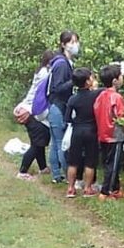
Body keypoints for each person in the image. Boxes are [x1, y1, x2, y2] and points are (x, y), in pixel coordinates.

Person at [46, 31, 81, 184]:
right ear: (63, 44)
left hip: (55, 106)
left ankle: (56, 175)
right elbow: (57, 87)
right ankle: (69, 176)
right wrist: (74, 81)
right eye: (71, 42)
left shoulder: (63, 62)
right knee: (61, 143)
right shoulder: (61, 64)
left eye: (76, 41)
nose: (75, 45)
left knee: (55, 141)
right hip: (58, 106)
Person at [16, 50, 54, 180]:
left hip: (29, 109)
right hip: (34, 112)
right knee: (37, 145)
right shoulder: (46, 74)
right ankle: (22, 171)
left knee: (39, 143)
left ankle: (43, 167)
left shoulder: (40, 71)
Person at [63, 67, 100, 198]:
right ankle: (88, 188)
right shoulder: (95, 95)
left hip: (77, 131)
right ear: (88, 81)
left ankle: (71, 188)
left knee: (73, 161)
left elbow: (67, 118)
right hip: (91, 131)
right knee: (90, 161)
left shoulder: (73, 99)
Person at [93, 62, 124, 200]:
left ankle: (116, 188)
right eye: (121, 76)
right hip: (114, 135)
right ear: (115, 80)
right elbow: (122, 117)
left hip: (102, 134)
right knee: (113, 165)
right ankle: (105, 192)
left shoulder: (101, 95)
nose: (122, 78)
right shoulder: (117, 97)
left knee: (109, 163)